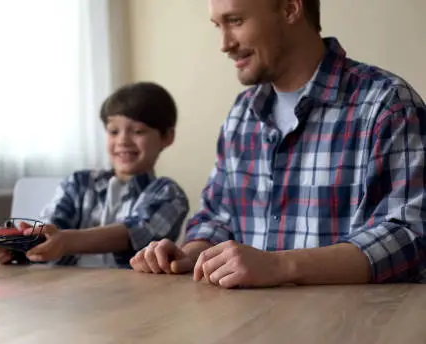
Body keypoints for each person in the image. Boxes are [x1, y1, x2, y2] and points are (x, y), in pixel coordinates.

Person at [130, 0, 426, 287]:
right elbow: (217, 216)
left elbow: (410, 234)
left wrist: (280, 265)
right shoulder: (242, 114)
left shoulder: (387, 104)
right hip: (248, 326)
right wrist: (190, 254)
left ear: (289, 9)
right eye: (217, 25)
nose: (224, 43)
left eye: (235, 21)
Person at [0, 81, 190, 268]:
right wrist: (21, 245)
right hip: (66, 295)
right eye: (113, 131)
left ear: (167, 137)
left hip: (130, 296)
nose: (123, 141)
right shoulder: (78, 183)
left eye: (137, 131)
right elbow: (51, 230)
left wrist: (66, 241)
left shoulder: (168, 194)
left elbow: (133, 234)